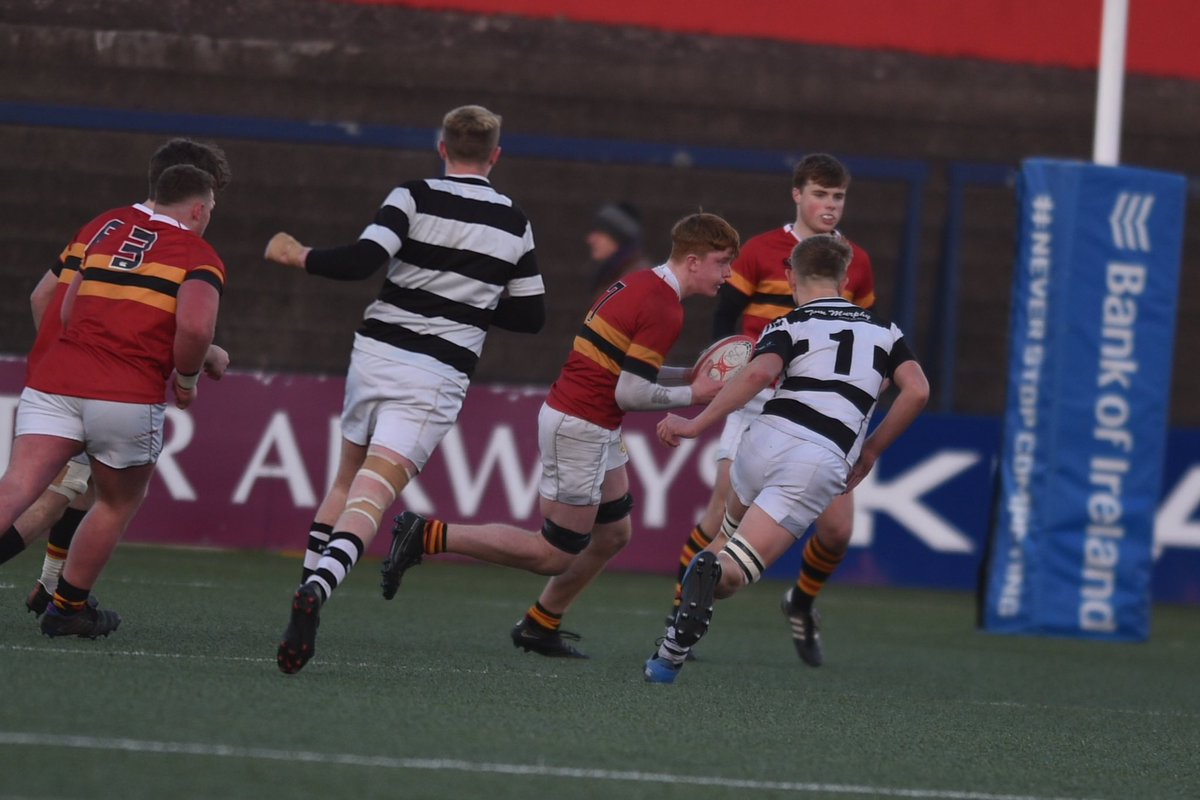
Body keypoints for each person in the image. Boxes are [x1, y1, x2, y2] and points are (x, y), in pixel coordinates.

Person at [266, 104, 546, 675]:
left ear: (442, 147)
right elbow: (531, 316)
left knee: (344, 481)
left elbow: (364, 260)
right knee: (372, 497)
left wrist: (300, 255)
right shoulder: (514, 221)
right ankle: (317, 591)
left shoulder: (412, 194)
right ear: (495, 155)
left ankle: (305, 596)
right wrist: (468, 304)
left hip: (374, 355)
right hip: (434, 373)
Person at [378, 212, 735, 658]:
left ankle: (540, 623)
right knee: (553, 553)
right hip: (580, 426)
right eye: (722, 262)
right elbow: (630, 391)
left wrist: (689, 375)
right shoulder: (664, 307)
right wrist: (692, 393)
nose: (728, 273)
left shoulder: (642, 283)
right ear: (695, 260)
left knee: (613, 534)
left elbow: (624, 370)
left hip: (588, 421)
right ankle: (426, 535)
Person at [644, 234, 928, 683]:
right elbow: (918, 390)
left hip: (761, 442)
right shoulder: (885, 332)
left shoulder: (787, 324)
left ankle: (667, 654)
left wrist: (695, 424)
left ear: (791, 276)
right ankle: (709, 580)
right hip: (815, 459)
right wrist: (870, 450)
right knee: (733, 573)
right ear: (846, 278)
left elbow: (758, 374)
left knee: (725, 537)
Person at [0, 138, 233, 617]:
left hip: (56, 377)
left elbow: (46, 299)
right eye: (212, 199)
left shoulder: (103, 225)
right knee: (88, 498)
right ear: (196, 199)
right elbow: (188, 323)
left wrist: (69, 349)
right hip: (118, 386)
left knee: (30, 488)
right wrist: (189, 373)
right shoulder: (193, 250)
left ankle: (49, 586)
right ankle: (64, 600)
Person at [667, 153, 875, 667]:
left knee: (837, 530)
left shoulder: (857, 260)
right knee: (719, 514)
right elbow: (725, 314)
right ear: (797, 195)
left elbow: (863, 337)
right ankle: (680, 619)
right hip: (756, 397)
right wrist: (725, 367)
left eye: (838, 196)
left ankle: (801, 602)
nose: (829, 205)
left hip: (818, 407)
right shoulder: (761, 250)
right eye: (820, 194)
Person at [586, 202, 652, 299]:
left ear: (619, 238)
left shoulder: (634, 282)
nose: (590, 239)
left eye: (600, 232)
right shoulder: (613, 275)